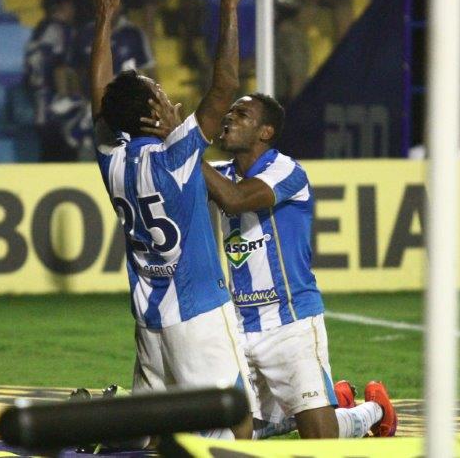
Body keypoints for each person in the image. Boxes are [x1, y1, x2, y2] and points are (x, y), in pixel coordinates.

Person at [148, 92, 398, 439]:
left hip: (290, 320)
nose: (229, 118)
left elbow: (236, 201)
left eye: (242, 114)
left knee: (319, 440)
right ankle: (312, 407)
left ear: (265, 132)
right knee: (235, 436)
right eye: (230, 112)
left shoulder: (287, 170)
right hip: (237, 323)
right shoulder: (219, 174)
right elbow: (173, 181)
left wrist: (184, 146)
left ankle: (374, 411)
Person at [88, 0, 256, 440]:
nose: (165, 93)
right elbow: (225, 88)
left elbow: (101, 101)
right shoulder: (176, 153)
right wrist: (228, 6)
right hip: (198, 316)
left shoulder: (112, 161)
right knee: (234, 426)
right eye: (156, 91)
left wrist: (104, 22)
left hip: (150, 323)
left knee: (157, 437)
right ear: (152, 111)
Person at [25, 0, 80, 161]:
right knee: (65, 154)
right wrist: (66, 97)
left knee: (47, 153)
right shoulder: (62, 30)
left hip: (38, 101)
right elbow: (60, 68)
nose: (74, 11)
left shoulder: (40, 29)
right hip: (55, 104)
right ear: (63, 7)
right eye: (71, 7)